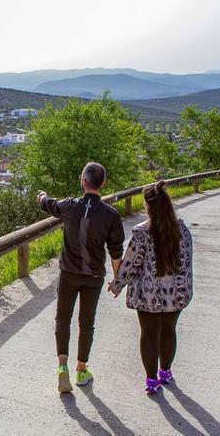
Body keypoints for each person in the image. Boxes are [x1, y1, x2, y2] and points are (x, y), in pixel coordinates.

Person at [37, 162, 125, 393]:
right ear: (102, 183)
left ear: (83, 182)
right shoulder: (111, 215)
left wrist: (42, 196)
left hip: (68, 273)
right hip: (94, 276)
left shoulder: (69, 206)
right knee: (87, 323)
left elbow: (48, 204)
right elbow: (116, 252)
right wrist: (118, 281)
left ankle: (62, 367)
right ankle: (81, 369)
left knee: (63, 318)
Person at [107, 180, 193, 395]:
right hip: (176, 293)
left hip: (147, 294)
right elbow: (187, 264)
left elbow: (130, 264)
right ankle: (165, 371)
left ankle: (151, 380)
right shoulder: (182, 231)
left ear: (148, 206)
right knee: (168, 330)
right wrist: (186, 291)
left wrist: (117, 284)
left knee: (148, 333)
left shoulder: (141, 233)